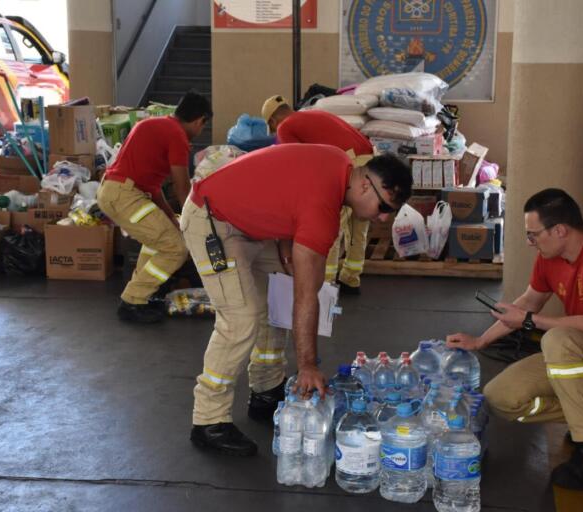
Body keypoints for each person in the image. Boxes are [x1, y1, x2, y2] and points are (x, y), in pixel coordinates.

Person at [183, 144, 412, 455]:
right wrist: (307, 366)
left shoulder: (338, 162)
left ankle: (266, 390)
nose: (384, 218)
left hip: (249, 225)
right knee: (242, 317)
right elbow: (307, 296)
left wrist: (288, 242)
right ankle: (208, 421)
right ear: (364, 184)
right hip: (212, 220)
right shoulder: (323, 210)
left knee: (280, 291)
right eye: (384, 207)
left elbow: (287, 189)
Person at [447, 188, 583, 490]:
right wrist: (480, 341)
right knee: (499, 397)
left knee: (558, 340)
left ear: (560, 230)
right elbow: (527, 303)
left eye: (533, 235)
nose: (529, 242)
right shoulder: (549, 259)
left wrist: (529, 321)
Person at [97, 92, 212, 323]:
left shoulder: (153, 125)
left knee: (158, 241)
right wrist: (197, 222)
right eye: (202, 126)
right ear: (199, 121)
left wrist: (172, 218)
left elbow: (154, 188)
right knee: (176, 248)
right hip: (127, 195)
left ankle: (145, 295)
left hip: (116, 191)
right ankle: (133, 300)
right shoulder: (177, 136)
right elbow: (182, 187)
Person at [261, 94, 373, 294]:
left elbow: (293, 163)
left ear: (272, 120)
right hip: (368, 161)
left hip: (348, 164)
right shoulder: (314, 114)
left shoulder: (285, 126)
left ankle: (327, 284)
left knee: (331, 222)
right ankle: (351, 278)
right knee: (358, 224)